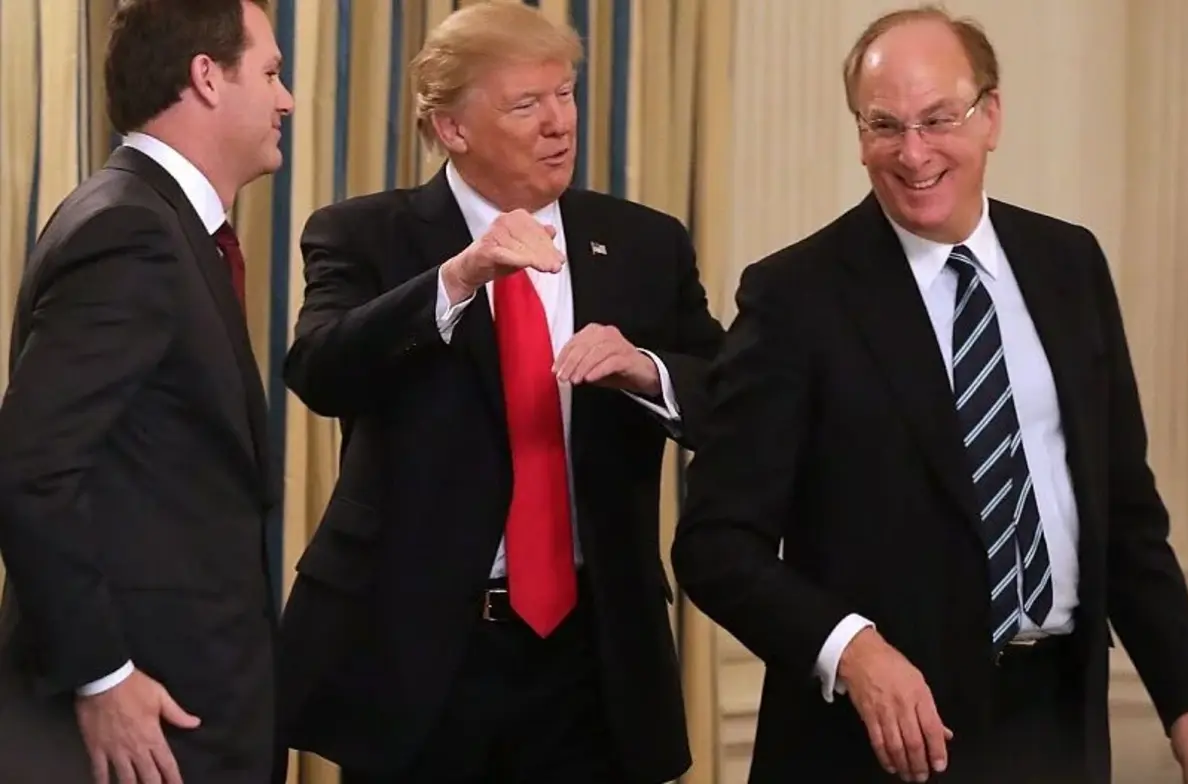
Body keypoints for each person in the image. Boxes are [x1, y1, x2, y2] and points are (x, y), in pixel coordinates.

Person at [672, 6, 1188, 784]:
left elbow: (1124, 513)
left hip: (1058, 725)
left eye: (938, 119)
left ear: (991, 115)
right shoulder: (795, 297)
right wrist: (851, 648)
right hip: (873, 744)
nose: (912, 153)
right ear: (859, 134)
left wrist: (1187, 700)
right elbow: (715, 545)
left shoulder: (1069, 264)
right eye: (883, 125)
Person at [272, 3, 724, 783]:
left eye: (567, 93)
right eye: (526, 104)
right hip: (425, 658)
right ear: (452, 129)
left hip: (595, 655)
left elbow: (734, 397)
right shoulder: (365, 235)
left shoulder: (647, 241)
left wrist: (646, 370)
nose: (560, 124)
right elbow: (320, 370)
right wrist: (456, 280)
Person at [0, 1, 294, 782]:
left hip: (186, 709)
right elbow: (31, 469)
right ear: (206, 77)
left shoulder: (153, 220)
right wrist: (102, 675)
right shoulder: (130, 231)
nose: (287, 98)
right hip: (142, 727)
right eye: (269, 72)